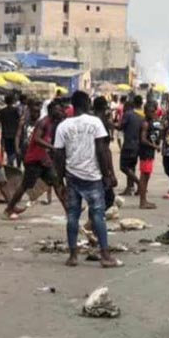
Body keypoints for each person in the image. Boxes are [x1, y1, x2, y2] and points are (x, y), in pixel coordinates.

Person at [53, 91, 120, 268]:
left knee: (73, 216)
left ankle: (73, 255)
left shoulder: (63, 126)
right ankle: (105, 255)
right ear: (88, 104)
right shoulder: (95, 122)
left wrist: (59, 182)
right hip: (93, 177)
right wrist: (107, 175)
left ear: (73, 106)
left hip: (72, 176)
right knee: (98, 215)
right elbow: (102, 150)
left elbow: (58, 155)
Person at [5, 100, 66, 218]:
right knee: (25, 185)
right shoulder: (43, 123)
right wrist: (51, 148)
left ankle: (68, 210)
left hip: (44, 159)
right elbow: (37, 139)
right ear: (51, 110)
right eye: (58, 109)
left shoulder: (53, 123)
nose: (60, 112)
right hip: (34, 159)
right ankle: (9, 208)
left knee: (56, 182)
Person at [118, 95, 143, 196]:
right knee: (131, 167)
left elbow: (120, 127)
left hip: (128, 145)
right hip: (137, 146)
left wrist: (111, 124)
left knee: (123, 167)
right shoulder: (139, 117)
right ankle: (129, 188)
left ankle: (140, 184)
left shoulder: (127, 115)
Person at [138, 101, 161, 209]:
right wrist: (154, 146)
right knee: (144, 177)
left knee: (147, 176)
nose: (153, 113)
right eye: (150, 111)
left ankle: (144, 200)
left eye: (153, 111)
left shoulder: (152, 122)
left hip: (149, 152)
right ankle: (143, 202)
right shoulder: (145, 123)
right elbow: (143, 139)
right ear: (146, 112)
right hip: (145, 152)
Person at [0, 94, 21, 168]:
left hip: (5, 133)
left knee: (8, 150)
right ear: (12, 101)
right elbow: (18, 120)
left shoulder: (2, 111)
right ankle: (11, 163)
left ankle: (9, 163)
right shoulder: (15, 110)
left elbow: (1, 122)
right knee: (14, 150)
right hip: (14, 133)